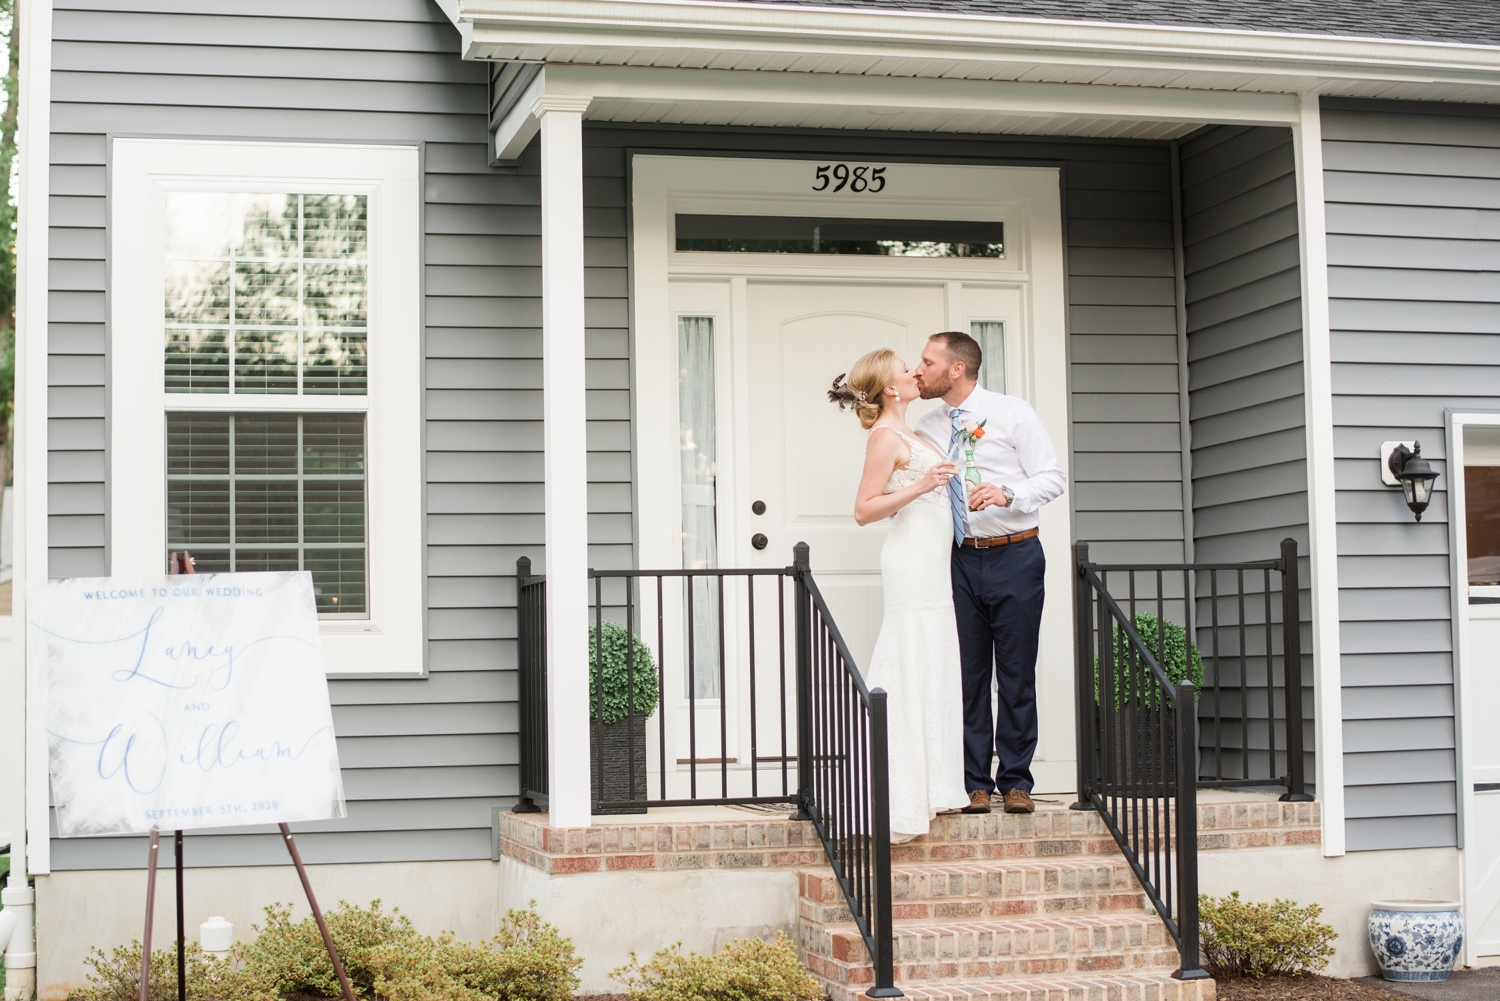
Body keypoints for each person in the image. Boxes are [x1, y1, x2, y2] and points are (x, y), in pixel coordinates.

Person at [913, 331, 1066, 815]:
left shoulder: (1012, 412)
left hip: (1015, 555)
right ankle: (973, 783)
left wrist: (1008, 493)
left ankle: (1016, 781)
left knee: (1017, 672)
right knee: (967, 676)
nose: (920, 369)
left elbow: (1053, 478)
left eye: (928, 361)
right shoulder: (927, 426)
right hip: (957, 559)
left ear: (956, 369)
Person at [828, 348, 971, 841]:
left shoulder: (913, 432)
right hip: (910, 564)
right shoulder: (885, 437)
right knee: (910, 662)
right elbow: (865, 510)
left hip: (935, 566)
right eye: (906, 370)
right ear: (890, 388)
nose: (915, 372)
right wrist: (923, 485)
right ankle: (900, 793)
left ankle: (937, 788)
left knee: (934, 663)